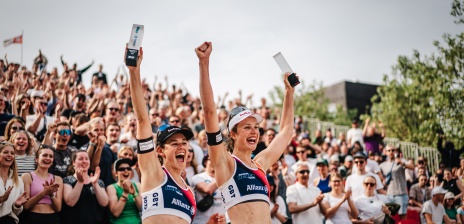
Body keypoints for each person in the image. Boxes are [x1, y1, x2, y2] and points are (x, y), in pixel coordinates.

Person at [197, 41, 295, 224]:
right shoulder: (225, 163)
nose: (254, 132)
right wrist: (204, 63)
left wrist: (289, 93)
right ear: (233, 134)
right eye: (247, 127)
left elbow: (286, 132)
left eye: (256, 127)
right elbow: (210, 112)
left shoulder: (260, 164)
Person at [127, 45, 198, 224]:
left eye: (184, 142)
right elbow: (143, 120)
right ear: (160, 150)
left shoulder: (189, 190)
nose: (182, 146)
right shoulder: (154, 173)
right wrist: (134, 72)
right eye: (174, 144)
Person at [61, 150, 109, 224]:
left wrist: (95, 184)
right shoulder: (67, 180)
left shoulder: (98, 182)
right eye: (80, 159)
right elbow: (70, 202)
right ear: (73, 162)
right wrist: (80, 181)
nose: (84, 161)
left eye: (87, 159)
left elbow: (104, 203)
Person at [21, 145, 63, 224]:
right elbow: (26, 206)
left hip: (52, 218)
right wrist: (44, 192)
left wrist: (51, 195)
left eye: (51, 156)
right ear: (36, 159)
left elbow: (58, 208)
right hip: (33, 218)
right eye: (44, 155)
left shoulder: (58, 179)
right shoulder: (27, 176)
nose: (48, 158)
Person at [379, 145, 414, 219]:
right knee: (389, 216)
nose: (391, 152)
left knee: (403, 216)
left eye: (393, 150)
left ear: (395, 151)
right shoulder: (383, 165)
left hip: (401, 193)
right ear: (386, 152)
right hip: (389, 194)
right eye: (389, 151)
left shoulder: (401, 160)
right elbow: (377, 174)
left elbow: (412, 167)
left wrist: (402, 163)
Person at [0, 142, 29, 223]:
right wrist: (1, 199)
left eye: (12, 153)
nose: (9, 155)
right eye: (5, 152)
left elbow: (17, 212)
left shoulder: (18, 180)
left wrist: (17, 205)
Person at [191, 155, 225, 224]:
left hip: (220, 221)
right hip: (200, 221)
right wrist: (224, 174)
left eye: (218, 160)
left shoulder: (226, 179)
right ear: (206, 161)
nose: (215, 162)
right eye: (212, 159)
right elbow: (208, 189)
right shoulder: (197, 177)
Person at [107, 158, 142, 224]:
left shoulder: (138, 186)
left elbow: (142, 209)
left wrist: (135, 194)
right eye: (122, 169)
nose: (126, 170)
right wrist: (125, 193)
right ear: (116, 173)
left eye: (128, 168)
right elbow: (116, 213)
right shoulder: (111, 188)